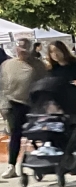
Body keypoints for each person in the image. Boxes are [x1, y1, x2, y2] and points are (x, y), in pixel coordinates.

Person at [1, 39, 46, 178]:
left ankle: (45, 160)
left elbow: (45, 84)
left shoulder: (38, 66)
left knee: (38, 134)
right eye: (20, 49)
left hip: (33, 105)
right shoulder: (7, 65)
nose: (22, 52)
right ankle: (12, 165)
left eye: (26, 50)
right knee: (16, 133)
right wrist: (3, 106)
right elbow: (1, 86)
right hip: (13, 103)